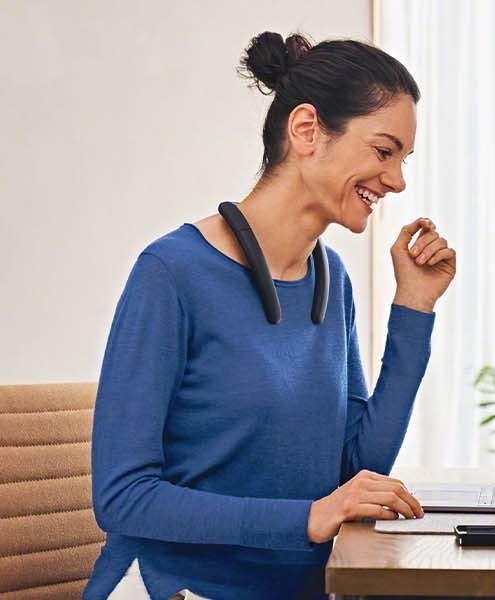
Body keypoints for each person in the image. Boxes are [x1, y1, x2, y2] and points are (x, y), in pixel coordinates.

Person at [83, 31, 456, 600]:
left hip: (303, 587)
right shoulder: (172, 273)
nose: (398, 180)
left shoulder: (330, 280)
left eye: (403, 160)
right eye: (384, 152)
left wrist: (415, 307)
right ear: (307, 130)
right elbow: (124, 496)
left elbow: (356, 466)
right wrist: (306, 519)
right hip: (179, 588)